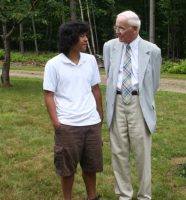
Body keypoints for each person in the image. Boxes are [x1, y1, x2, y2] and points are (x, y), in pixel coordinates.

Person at [103, 10, 162, 200]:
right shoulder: (109, 46)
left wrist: (140, 98)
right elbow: (110, 76)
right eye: (116, 27)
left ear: (134, 29)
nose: (117, 31)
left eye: (120, 28)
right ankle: (124, 195)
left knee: (141, 152)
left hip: (139, 103)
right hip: (117, 101)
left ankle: (144, 195)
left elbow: (154, 82)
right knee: (118, 151)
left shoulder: (152, 50)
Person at [43, 21, 103, 200]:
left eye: (86, 35)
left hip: (91, 123)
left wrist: (99, 116)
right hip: (68, 125)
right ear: (71, 38)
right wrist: (57, 124)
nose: (86, 39)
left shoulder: (91, 60)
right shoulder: (54, 64)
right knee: (67, 169)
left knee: (91, 166)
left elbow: (95, 89)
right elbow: (48, 95)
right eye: (82, 36)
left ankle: (92, 197)